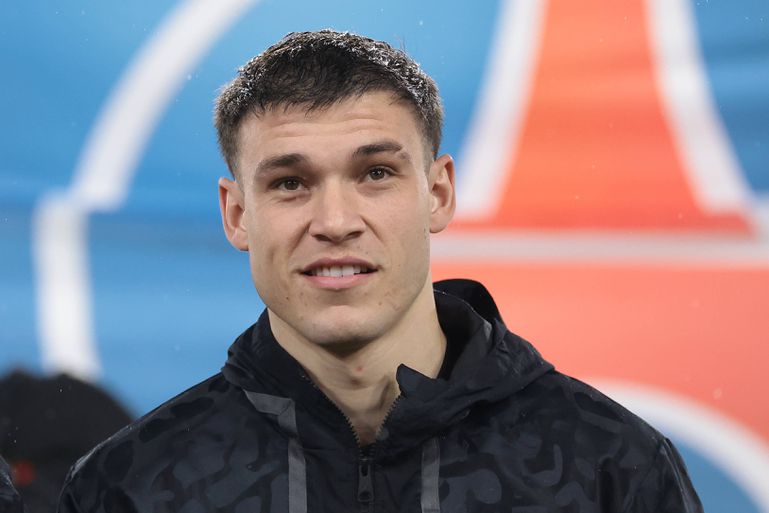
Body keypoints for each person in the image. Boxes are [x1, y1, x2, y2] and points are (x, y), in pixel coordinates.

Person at [57, 30, 703, 512]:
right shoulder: (129, 485)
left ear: (438, 194)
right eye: (290, 182)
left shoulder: (611, 467)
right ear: (236, 214)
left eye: (375, 173)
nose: (335, 221)